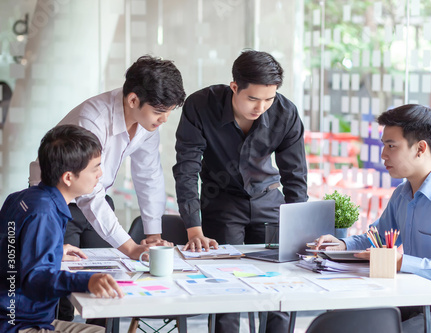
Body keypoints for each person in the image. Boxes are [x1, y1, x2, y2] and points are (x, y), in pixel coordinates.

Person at [315, 104, 431, 332]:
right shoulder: (402, 193)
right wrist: (341, 244)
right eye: (383, 145)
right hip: (416, 299)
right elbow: (376, 238)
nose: (383, 154)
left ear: (420, 149)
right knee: (345, 321)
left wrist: (401, 262)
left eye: (391, 146)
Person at [173, 50, 308, 333]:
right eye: (253, 99)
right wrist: (194, 228)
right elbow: (187, 169)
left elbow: (294, 175)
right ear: (234, 87)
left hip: (269, 199)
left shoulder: (285, 113)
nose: (261, 107)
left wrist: (300, 229)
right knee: (227, 291)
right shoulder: (200, 105)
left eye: (269, 99)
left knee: (278, 286)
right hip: (222, 203)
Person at [29, 55, 186, 260]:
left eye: (169, 112)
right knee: (65, 271)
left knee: (108, 267)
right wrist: (130, 248)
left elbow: (149, 175)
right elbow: (88, 193)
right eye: (159, 112)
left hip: (97, 199)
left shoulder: (148, 124)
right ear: (133, 100)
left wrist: (153, 236)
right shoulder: (92, 120)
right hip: (59, 203)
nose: (164, 119)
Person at [0, 125, 124, 333]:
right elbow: (35, 279)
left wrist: (54, 250)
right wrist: (88, 280)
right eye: (95, 168)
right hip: (19, 323)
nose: (100, 174)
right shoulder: (44, 213)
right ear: (68, 177)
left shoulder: (22, 197)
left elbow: (10, 251)